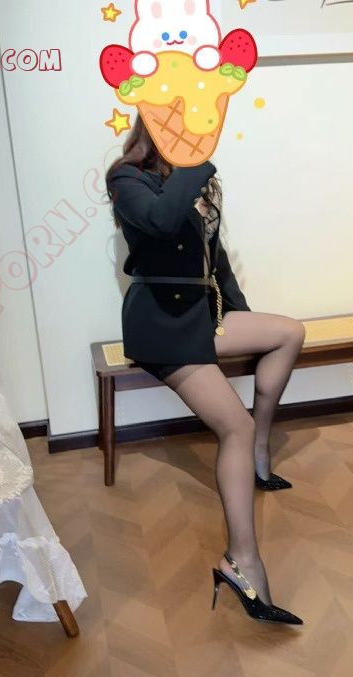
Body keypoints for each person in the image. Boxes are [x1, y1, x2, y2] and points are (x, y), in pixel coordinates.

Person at [105, 116, 306, 625]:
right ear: (155, 128)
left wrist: (241, 316)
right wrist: (197, 165)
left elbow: (215, 262)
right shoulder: (127, 177)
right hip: (161, 323)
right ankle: (242, 563)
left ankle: (259, 451)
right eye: (182, 125)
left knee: (288, 332)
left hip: (201, 313)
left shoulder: (194, 182)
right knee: (233, 425)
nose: (194, 134)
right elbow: (159, 222)